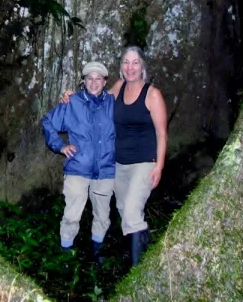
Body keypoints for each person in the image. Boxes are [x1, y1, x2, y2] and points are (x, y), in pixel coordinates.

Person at [61, 46, 167, 266]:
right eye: (126, 62)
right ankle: (138, 249)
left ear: (142, 66)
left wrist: (159, 166)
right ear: (121, 67)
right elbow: (95, 101)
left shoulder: (152, 95)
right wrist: (72, 97)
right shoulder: (118, 87)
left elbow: (162, 133)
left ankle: (139, 269)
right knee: (121, 208)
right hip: (118, 163)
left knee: (130, 211)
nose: (130, 67)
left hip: (145, 162)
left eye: (135, 62)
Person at [41, 61, 116, 262]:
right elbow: (48, 122)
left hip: (106, 169)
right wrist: (60, 145)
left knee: (102, 214)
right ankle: (66, 255)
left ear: (105, 81)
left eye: (98, 78)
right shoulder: (72, 102)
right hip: (78, 168)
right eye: (89, 78)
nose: (94, 82)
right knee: (72, 214)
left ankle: (96, 252)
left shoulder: (113, 103)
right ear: (83, 81)